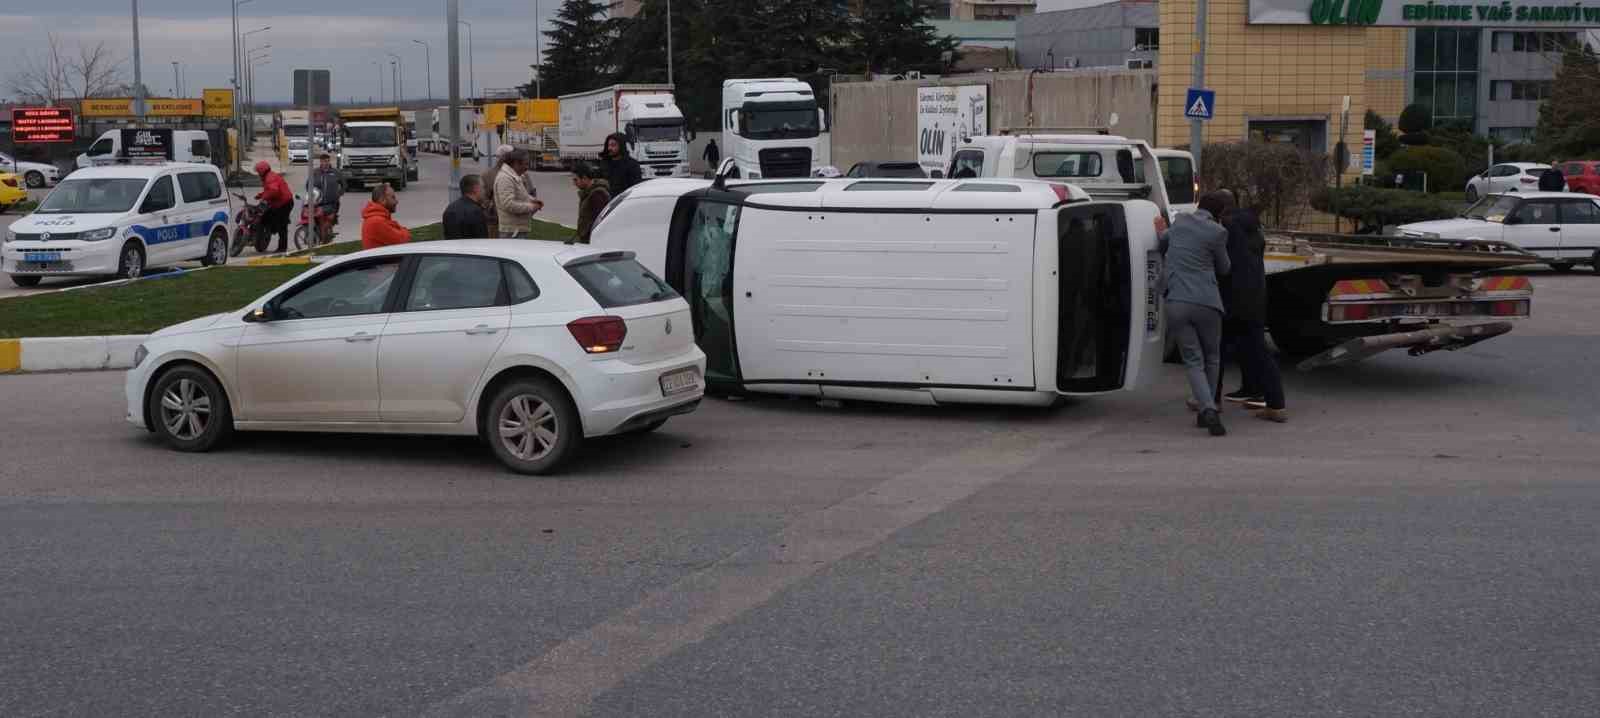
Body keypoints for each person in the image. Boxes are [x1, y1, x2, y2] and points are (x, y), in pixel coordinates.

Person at [1159, 191, 1233, 436]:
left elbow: (1162, 240)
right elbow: (1225, 268)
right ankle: (1208, 408)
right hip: (1207, 302)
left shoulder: (1180, 221)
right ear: (1219, 213)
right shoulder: (1218, 232)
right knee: (1212, 357)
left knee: (1192, 360)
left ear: (1199, 205)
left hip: (1177, 301)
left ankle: (1207, 409)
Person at [1216, 197, 1288, 423]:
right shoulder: (1254, 231)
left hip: (1230, 299)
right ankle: (1275, 403)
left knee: (1215, 351)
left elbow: (1222, 265)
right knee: (1257, 351)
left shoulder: (1227, 230)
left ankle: (1210, 400)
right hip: (1255, 298)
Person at [495, 149, 543, 238]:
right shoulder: (505, 179)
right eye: (526, 164)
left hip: (516, 229)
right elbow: (508, 204)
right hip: (512, 231)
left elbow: (520, 195)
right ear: (516, 163)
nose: (527, 167)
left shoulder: (514, 176)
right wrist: (532, 207)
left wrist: (532, 200)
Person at [254, 160, 294, 253]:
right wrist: (261, 195)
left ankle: (282, 248)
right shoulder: (269, 176)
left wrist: (263, 197)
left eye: (258, 172)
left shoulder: (270, 178)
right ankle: (269, 231)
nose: (258, 174)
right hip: (278, 203)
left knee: (282, 226)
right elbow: (269, 190)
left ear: (262, 171)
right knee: (265, 216)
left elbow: (273, 191)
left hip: (285, 203)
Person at [571, 162, 611, 245]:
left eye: (576, 180)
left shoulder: (598, 195)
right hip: (587, 240)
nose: (574, 183)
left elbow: (599, 223)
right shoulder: (588, 193)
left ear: (585, 178)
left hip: (593, 242)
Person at [305, 153, 342, 244]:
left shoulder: (335, 172)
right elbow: (308, 185)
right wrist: (310, 195)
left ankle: (326, 237)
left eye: (327, 161)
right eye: (323, 161)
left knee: (327, 223)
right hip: (318, 202)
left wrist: (339, 194)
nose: (326, 163)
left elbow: (344, 185)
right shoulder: (315, 172)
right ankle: (320, 238)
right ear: (320, 162)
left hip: (332, 203)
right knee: (318, 220)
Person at [361, 183, 410, 250]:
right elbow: (402, 241)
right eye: (393, 197)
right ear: (382, 200)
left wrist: (399, 229)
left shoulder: (378, 218)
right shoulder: (376, 222)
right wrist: (404, 230)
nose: (396, 201)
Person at [480, 144, 513, 239]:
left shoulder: (521, 174)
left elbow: (531, 193)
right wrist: (491, 208)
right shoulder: (488, 176)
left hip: (515, 224)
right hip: (495, 222)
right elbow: (483, 199)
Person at [443, 174, 490, 239]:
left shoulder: (450, 208)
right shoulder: (476, 212)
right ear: (476, 188)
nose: (485, 191)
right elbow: (482, 239)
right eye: (483, 187)